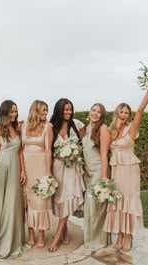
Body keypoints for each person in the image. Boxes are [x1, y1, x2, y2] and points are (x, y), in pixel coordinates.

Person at [103, 82, 148, 252]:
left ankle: (129, 235)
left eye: (127, 112)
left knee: (129, 201)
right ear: (117, 113)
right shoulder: (111, 131)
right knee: (118, 201)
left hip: (130, 170)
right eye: (122, 112)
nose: (125, 115)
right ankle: (120, 234)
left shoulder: (132, 129)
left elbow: (140, 110)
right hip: (117, 171)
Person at [0, 100, 28, 258]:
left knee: (12, 204)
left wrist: (23, 170)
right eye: (12, 112)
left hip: (15, 170)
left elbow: (20, 151)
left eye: (16, 111)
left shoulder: (16, 128)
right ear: (5, 112)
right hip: (0, 169)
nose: (14, 115)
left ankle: (11, 241)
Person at [49, 98, 85, 252]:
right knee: (58, 201)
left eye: (70, 109)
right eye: (66, 110)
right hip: (57, 168)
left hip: (72, 169)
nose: (69, 112)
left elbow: (86, 144)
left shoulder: (77, 125)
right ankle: (65, 231)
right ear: (59, 110)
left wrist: (74, 154)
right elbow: (47, 149)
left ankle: (57, 235)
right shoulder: (51, 127)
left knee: (68, 198)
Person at [21, 100, 53, 249]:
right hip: (26, 167)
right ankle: (30, 234)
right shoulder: (24, 126)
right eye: (43, 110)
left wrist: (48, 172)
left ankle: (41, 235)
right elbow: (20, 149)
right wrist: (21, 169)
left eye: (47, 110)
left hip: (40, 166)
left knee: (40, 201)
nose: (46, 113)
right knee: (27, 200)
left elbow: (48, 150)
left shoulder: (48, 127)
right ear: (35, 110)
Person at [82, 103, 112, 249]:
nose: (95, 113)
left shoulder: (103, 129)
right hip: (88, 172)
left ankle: (99, 240)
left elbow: (104, 155)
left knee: (96, 207)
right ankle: (90, 238)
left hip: (99, 171)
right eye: (93, 110)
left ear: (102, 115)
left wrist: (104, 177)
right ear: (89, 111)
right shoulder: (87, 128)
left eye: (98, 112)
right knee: (89, 207)